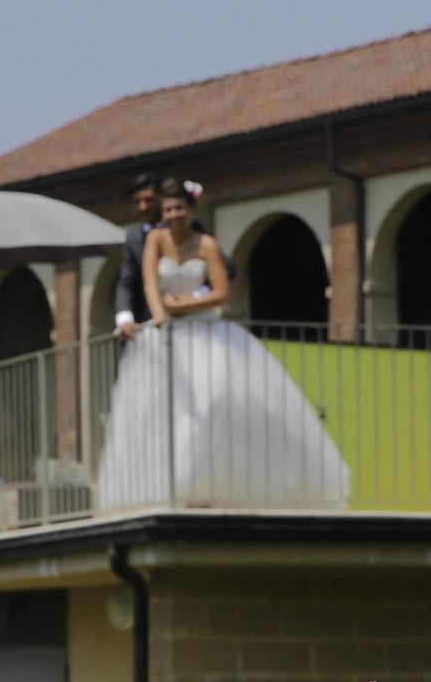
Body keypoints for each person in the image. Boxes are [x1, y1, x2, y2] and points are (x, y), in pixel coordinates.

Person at [96, 178, 349, 511]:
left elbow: (222, 293)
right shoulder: (152, 239)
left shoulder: (207, 244)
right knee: (161, 408)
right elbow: (144, 282)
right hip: (167, 334)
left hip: (205, 331)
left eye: (179, 209)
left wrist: (180, 306)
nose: (173, 215)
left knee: (215, 401)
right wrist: (160, 317)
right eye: (168, 209)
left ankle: (211, 483)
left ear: (190, 209)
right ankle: (170, 485)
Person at [113, 174, 227, 340]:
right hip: (160, 325)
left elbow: (226, 273)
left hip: (204, 327)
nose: (143, 206)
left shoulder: (202, 237)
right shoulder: (144, 237)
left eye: (148, 200)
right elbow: (128, 281)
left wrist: (188, 300)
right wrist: (155, 313)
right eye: (137, 202)